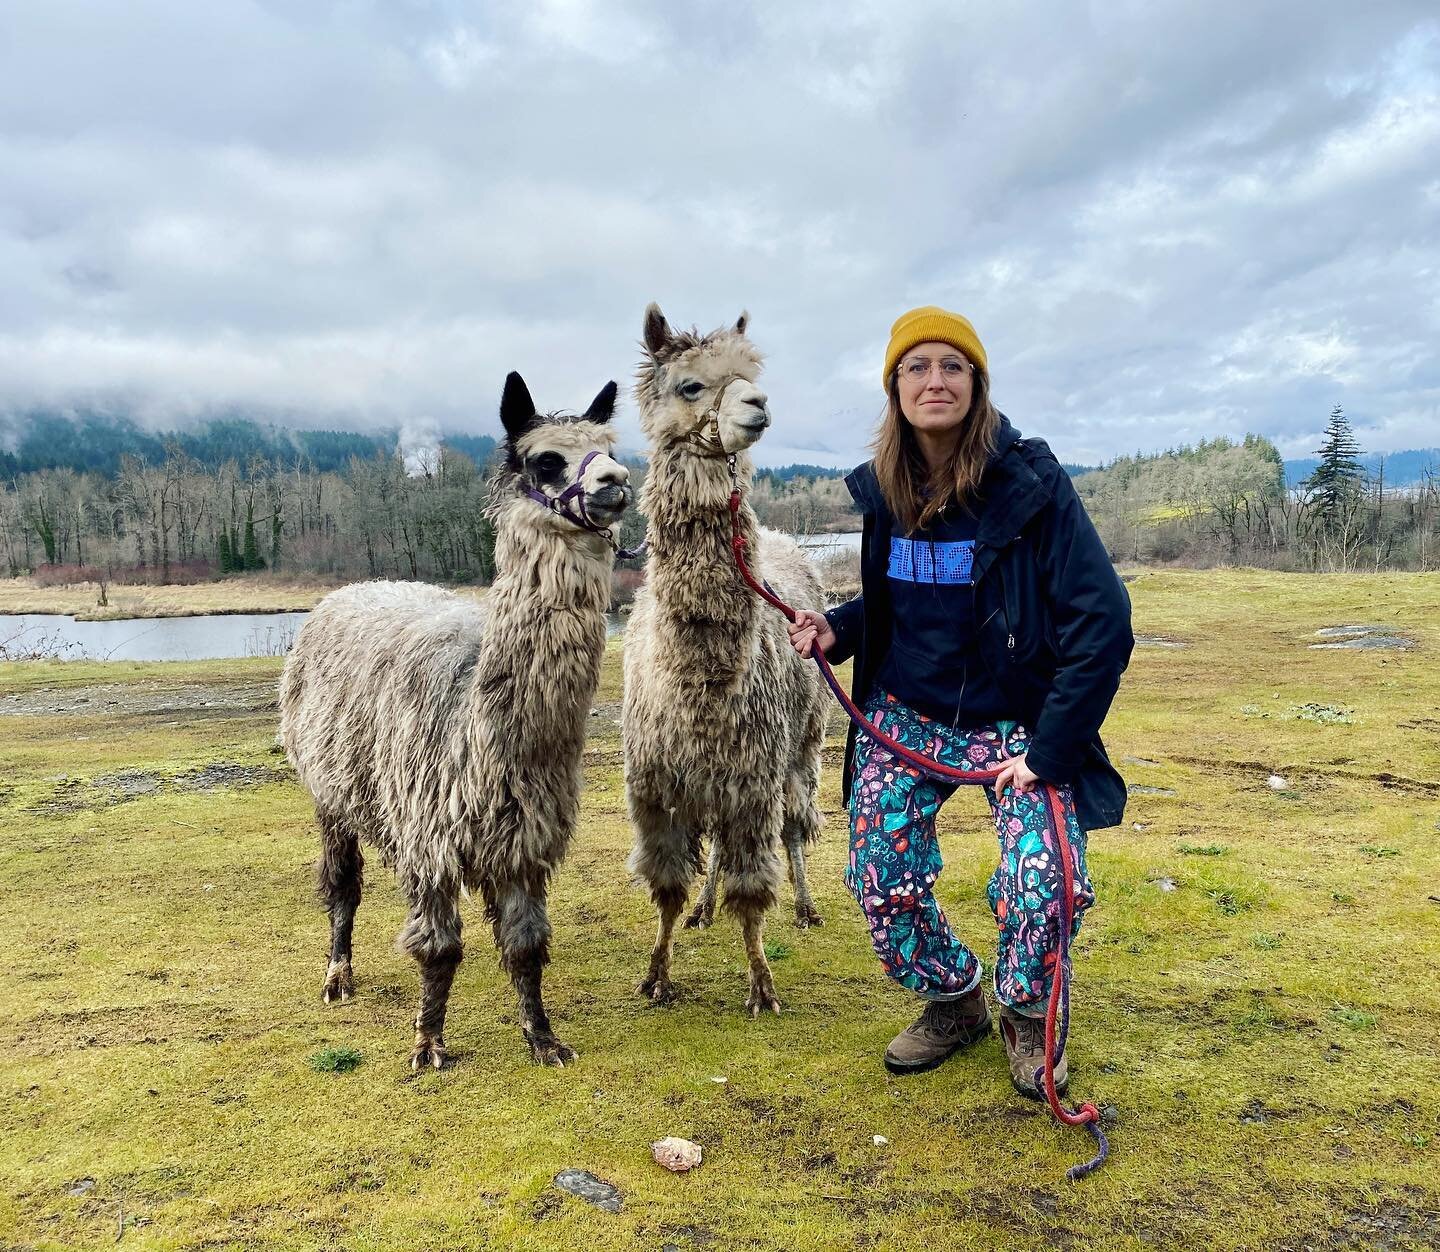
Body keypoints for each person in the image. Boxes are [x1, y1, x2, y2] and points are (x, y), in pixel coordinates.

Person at [787, 306, 1133, 1096]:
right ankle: (955, 1000)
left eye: (952, 366)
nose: (933, 380)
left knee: (1047, 881)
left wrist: (1047, 751)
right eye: (917, 367)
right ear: (895, 387)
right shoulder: (887, 487)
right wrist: (838, 630)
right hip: (905, 716)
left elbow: (1103, 624)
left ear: (976, 384)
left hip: (1016, 727)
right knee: (879, 875)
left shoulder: (1031, 486)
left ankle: (1025, 1010)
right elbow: (905, 601)